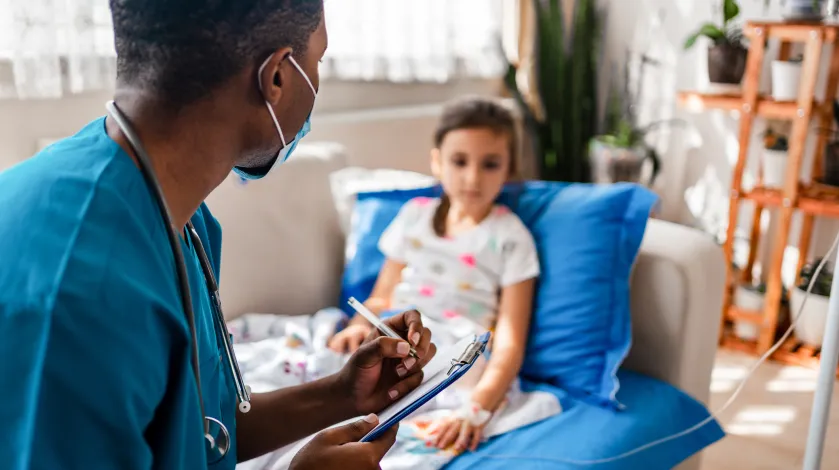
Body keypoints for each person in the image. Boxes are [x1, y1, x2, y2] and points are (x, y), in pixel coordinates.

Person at [0, 1, 436, 469]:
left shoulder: (173, 211)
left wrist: (341, 393)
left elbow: (199, 431)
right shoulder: (79, 289)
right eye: (319, 61)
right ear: (276, 79)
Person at [328, 97, 542, 453]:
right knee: (333, 383)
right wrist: (356, 324)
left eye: (490, 164)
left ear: (509, 169)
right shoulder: (414, 216)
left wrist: (478, 408)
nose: (473, 177)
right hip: (392, 338)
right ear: (437, 162)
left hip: (453, 352)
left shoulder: (512, 237)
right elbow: (382, 297)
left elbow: (510, 342)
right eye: (459, 162)